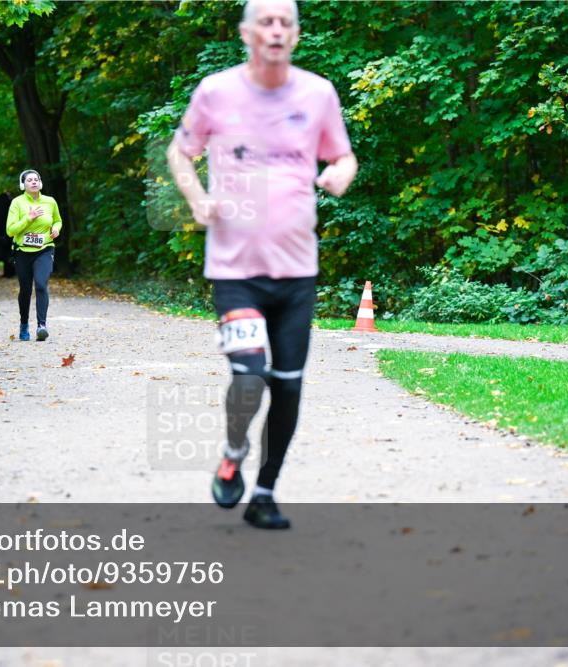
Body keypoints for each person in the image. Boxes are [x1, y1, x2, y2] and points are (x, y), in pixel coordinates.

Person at [166, 0, 358, 529]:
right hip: (235, 269)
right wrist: (197, 199)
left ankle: (265, 492)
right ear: (246, 32)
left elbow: (342, 155)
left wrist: (340, 172)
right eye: (266, 22)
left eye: (285, 23)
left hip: (297, 271)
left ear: (296, 35)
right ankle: (234, 452)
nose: (276, 30)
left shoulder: (317, 93)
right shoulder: (215, 91)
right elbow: (181, 152)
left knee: (289, 385)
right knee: (249, 378)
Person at [6, 169, 62, 341]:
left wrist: (55, 228)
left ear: (40, 182)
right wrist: (28, 218)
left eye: (36, 179)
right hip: (22, 251)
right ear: (23, 184)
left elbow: (58, 220)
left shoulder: (50, 201)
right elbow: (10, 230)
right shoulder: (17, 203)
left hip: (45, 249)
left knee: (40, 285)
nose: (33, 182)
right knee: (25, 290)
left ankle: (41, 326)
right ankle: (24, 324)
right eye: (29, 180)